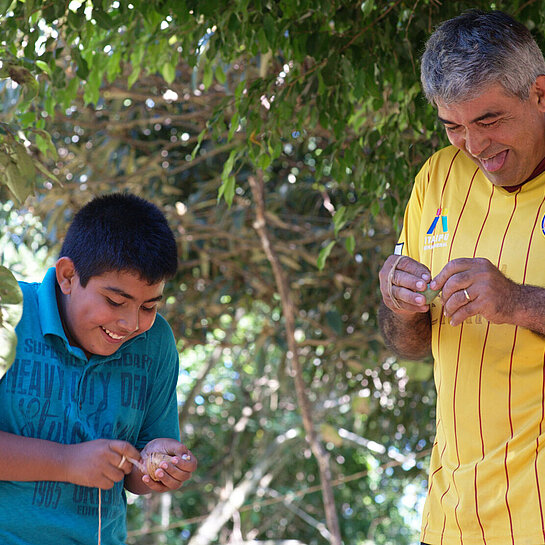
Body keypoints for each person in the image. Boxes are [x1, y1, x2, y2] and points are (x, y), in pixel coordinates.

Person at [378, 9, 545, 545]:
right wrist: (400, 305)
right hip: (451, 516)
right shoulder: (437, 177)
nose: (474, 146)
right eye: (453, 126)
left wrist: (517, 302)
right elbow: (409, 343)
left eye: (489, 120)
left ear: (540, 93)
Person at [0, 193, 197, 544]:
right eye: (115, 301)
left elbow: (136, 476)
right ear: (68, 276)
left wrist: (159, 465)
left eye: (149, 306)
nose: (130, 323)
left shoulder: (155, 344)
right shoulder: (8, 314)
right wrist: (66, 461)